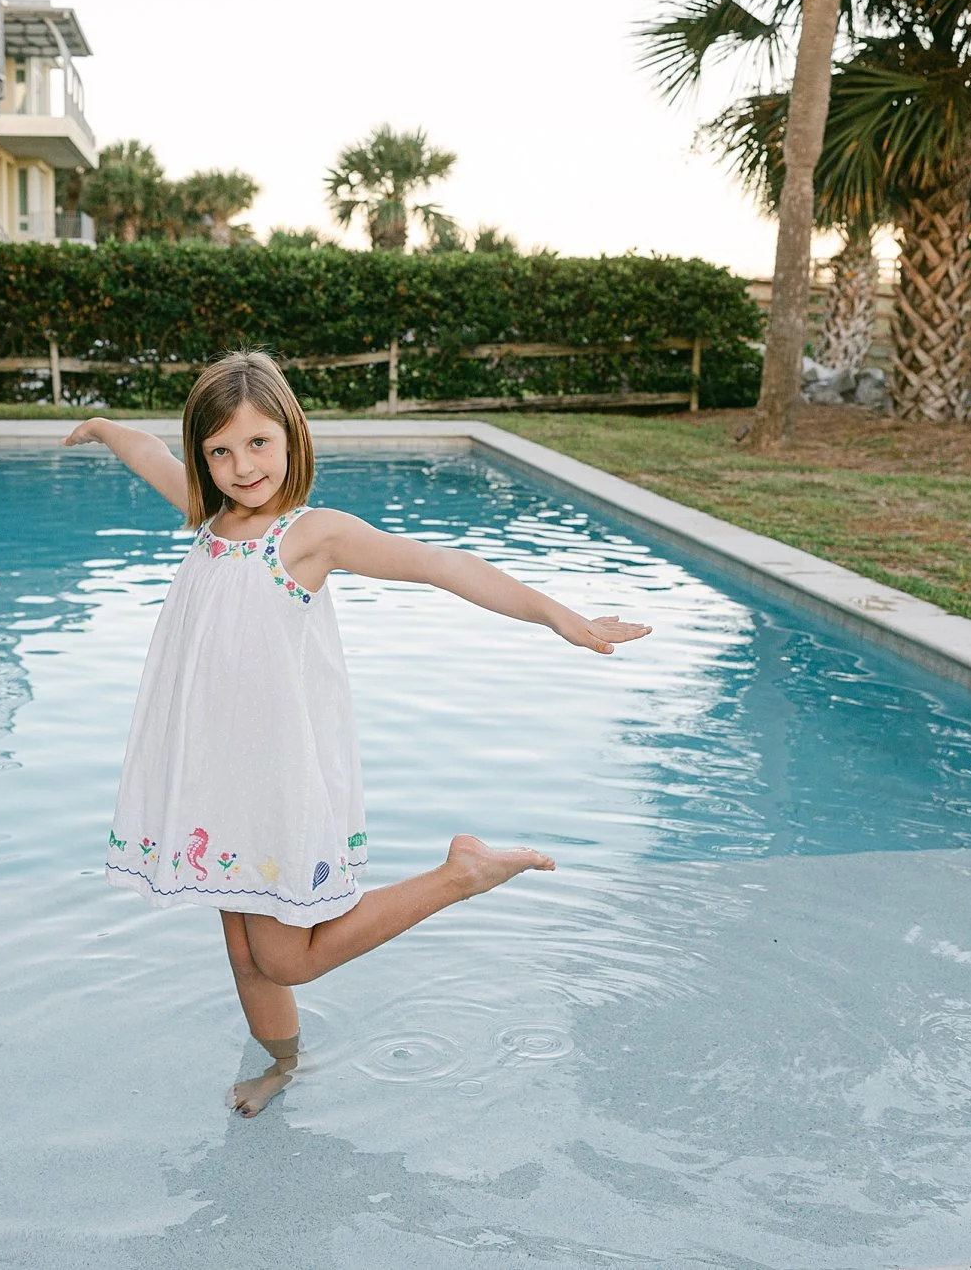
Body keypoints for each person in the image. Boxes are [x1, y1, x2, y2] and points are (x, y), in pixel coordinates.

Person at [63, 352, 650, 1115]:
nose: (242, 467)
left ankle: (459, 874)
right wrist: (108, 428)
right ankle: (282, 1063)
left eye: (259, 443)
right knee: (244, 956)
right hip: (216, 777)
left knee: (284, 955)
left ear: (292, 437)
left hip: (272, 777)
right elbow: (150, 453)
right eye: (221, 450)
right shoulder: (209, 519)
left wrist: (557, 615)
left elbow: (441, 564)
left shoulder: (310, 537)